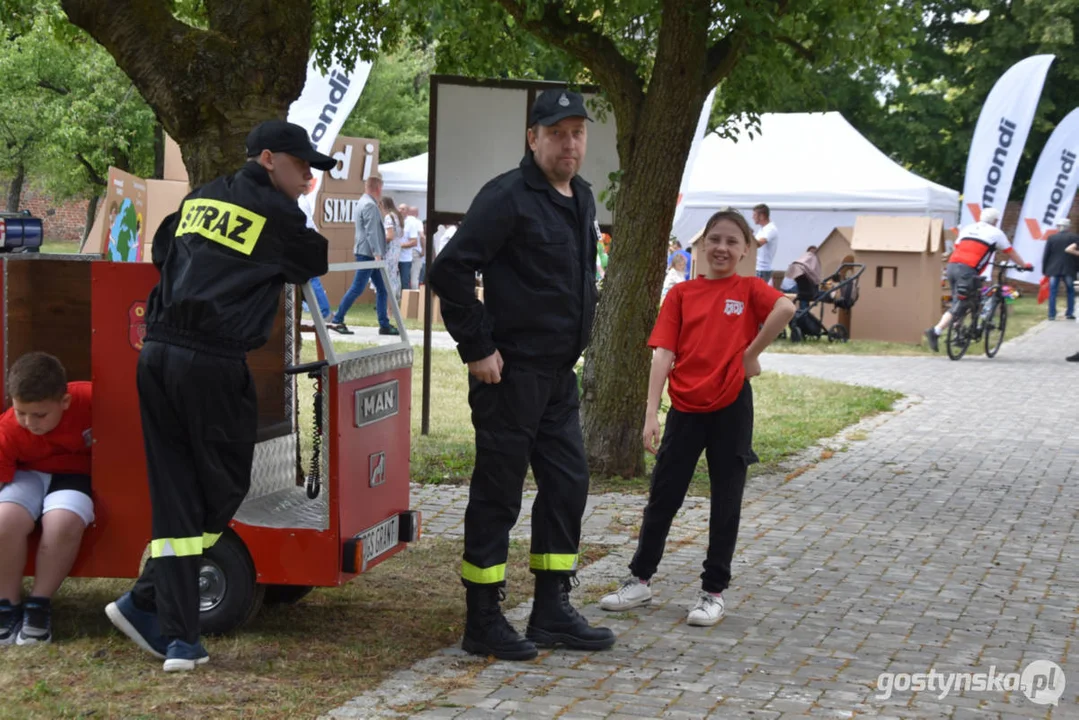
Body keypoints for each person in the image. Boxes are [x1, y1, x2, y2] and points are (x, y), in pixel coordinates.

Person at [104, 119, 332, 672]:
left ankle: (154, 609)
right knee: (227, 482)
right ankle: (174, 632)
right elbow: (315, 260)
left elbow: (162, 250)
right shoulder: (279, 215)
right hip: (212, 361)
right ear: (269, 159)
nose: (307, 179)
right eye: (302, 167)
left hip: (157, 354)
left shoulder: (201, 197)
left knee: (177, 487)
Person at [428, 88, 615, 661]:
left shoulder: (581, 196)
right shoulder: (507, 196)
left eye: (578, 133)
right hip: (509, 377)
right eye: (557, 132)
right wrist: (477, 347)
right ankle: (482, 618)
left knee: (567, 486)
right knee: (498, 496)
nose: (570, 143)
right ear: (532, 137)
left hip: (559, 377)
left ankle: (551, 609)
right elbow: (450, 271)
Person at [598, 210, 795, 625]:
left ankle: (713, 592)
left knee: (726, 500)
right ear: (702, 246)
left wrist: (749, 355)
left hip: (732, 407)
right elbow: (663, 354)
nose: (722, 248)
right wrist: (651, 413)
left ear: (744, 250)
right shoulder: (682, 294)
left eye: (731, 242)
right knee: (663, 496)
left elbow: (784, 309)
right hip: (685, 408)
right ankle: (639, 580)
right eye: (715, 240)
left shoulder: (748, 288)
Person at [0, 352, 93, 646]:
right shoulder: (8, 430)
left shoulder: (91, 400)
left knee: (63, 523)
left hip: (76, 475)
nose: (29, 422)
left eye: (40, 415)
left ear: (63, 402)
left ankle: (39, 605)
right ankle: (6, 604)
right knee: (4, 521)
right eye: (21, 412)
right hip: (27, 474)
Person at [924, 207, 1033, 352]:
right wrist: (1024, 265)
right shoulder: (996, 233)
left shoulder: (968, 228)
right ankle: (936, 330)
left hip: (952, 266)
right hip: (968, 270)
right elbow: (1010, 252)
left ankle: (959, 334)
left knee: (967, 299)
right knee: (960, 303)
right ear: (995, 221)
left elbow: (959, 247)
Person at [329, 171, 399, 336]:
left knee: (382, 289)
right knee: (357, 287)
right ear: (378, 188)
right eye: (381, 188)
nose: (382, 191)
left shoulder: (364, 202)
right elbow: (371, 232)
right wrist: (377, 253)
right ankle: (337, 319)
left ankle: (384, 324)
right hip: (368, 254)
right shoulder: (369, 205)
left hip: (367, 253)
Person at [298, 177, 332, 320]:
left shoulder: (299, 201)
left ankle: (324, 312)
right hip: (307, 241)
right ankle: (323, 311)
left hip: (304, 243)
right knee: (309, 280)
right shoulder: (302, 200)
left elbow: (305, 224)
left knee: (311, 280)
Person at [1043, 218, 1077, 321]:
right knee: (1070, 291)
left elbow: (1046, 254)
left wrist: (1045, 269)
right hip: (1069, 268)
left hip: (1054, 268)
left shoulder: (1052, 238)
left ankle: (1051, 314)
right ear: (1068, 227)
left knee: (1053, 291)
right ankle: (1069, 312)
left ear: (1059, 227)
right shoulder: (1074, 237)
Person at [381, 196, 403, 302]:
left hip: (390, 250)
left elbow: (389, 236)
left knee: (387, 279)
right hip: (397, 249)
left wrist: (378, 239)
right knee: (393, 278)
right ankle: (392, 307)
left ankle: (388, 308)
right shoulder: (397, 216)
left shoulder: (388, 217)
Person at [753, 203, 779, 283]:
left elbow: (758, 243)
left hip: (762, 270)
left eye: (755, 215)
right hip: (758, 269)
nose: (752, 217)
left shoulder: (770, 229)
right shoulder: (762, 229)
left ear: (762, 216)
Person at [400, 204, 424, 290]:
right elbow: (422, 236)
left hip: (404, 252)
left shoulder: (404, 221)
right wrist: (423, 250)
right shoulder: (417, 222)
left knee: (403, 277)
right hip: (415, 251)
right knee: (414, 277)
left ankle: (401, 299)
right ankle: (414, 300)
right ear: (417, 213)